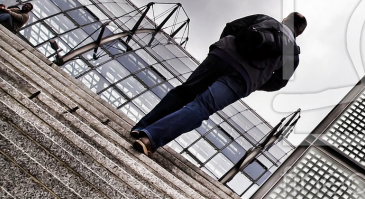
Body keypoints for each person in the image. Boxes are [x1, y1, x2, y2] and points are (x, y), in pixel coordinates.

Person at [131, 12, 306, 156]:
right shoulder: (293, 53)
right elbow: (278, 83)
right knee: (201, 107)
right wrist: (254, 82)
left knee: (183, 93)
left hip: (222, 55)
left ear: (285, 19)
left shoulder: (264, 19)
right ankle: (150, 139)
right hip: (242, 79)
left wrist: (224, 47)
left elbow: (231, 26)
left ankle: (142, 127)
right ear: (299, 33)